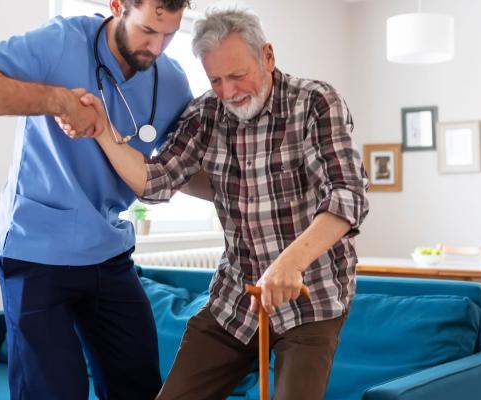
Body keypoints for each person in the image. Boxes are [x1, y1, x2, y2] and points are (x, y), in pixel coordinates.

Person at [60, 8, 369, 399]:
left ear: (268, 56)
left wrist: (290, 263)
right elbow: (154, 182)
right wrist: (104, 131)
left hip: (312, 297)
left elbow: (348, 193)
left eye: (238, 75)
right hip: (235, 299)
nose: (229, 91)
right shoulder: (207, 113)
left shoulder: (316, 102)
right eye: (216, 80)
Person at [0, 0, 196, 398]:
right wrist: (58, 101)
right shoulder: (62, 42)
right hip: (35, 250)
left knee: (139, 384)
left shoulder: (171, 81)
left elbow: (184, 169)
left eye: (169, 35)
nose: (157, 48)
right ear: (117, 6)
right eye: (147, 31)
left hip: (109, 252)